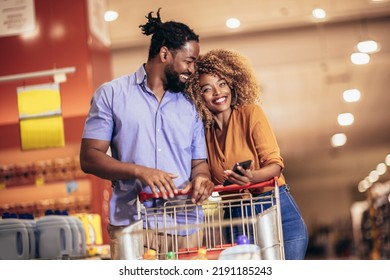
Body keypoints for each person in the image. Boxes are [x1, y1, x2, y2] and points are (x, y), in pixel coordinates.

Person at [80, 9, 214, 260]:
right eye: (189, 60)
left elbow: (199, 163)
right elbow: (89, 157)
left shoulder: (191, 105)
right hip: (133, 225)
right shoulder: (111, 95)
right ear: (165, 54)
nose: (193, 69)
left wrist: (202, 179)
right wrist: (140, 171)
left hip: (185, 225)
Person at [185, 48, 308, 260]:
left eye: (222, 83)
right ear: (198, 96)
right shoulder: (203, 134)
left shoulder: (251, 113)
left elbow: (275, 166)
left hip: (274, 210)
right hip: (236, 217)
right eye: (207, 88)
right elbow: (203, 174)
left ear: (232, 83)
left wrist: (251, 177)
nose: (218, 92)